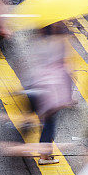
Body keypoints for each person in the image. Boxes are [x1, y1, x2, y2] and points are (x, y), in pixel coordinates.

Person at [23, 23, 74, 165]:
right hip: (52, 89)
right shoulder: (59, 44)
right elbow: (65, 68)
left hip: (35, 84)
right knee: (49, 122)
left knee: (41, 118)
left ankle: (26, 128)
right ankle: (44, 157)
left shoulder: (38, 42)